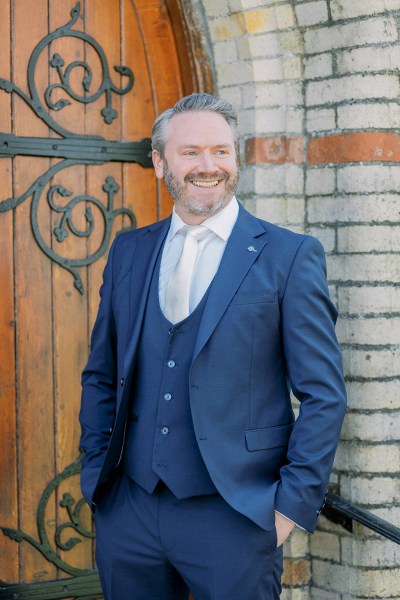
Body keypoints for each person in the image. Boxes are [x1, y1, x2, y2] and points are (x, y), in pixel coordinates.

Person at [79, 93, 347, 599]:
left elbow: (324, 395)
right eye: (191, 152)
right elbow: (101, 372)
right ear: (160, 162)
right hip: (129, 512)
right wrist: (97, 475)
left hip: (236, 516)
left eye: (222, 152)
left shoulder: (289, 256)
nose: (209, 166)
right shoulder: (129, 250)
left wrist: (290, 507)